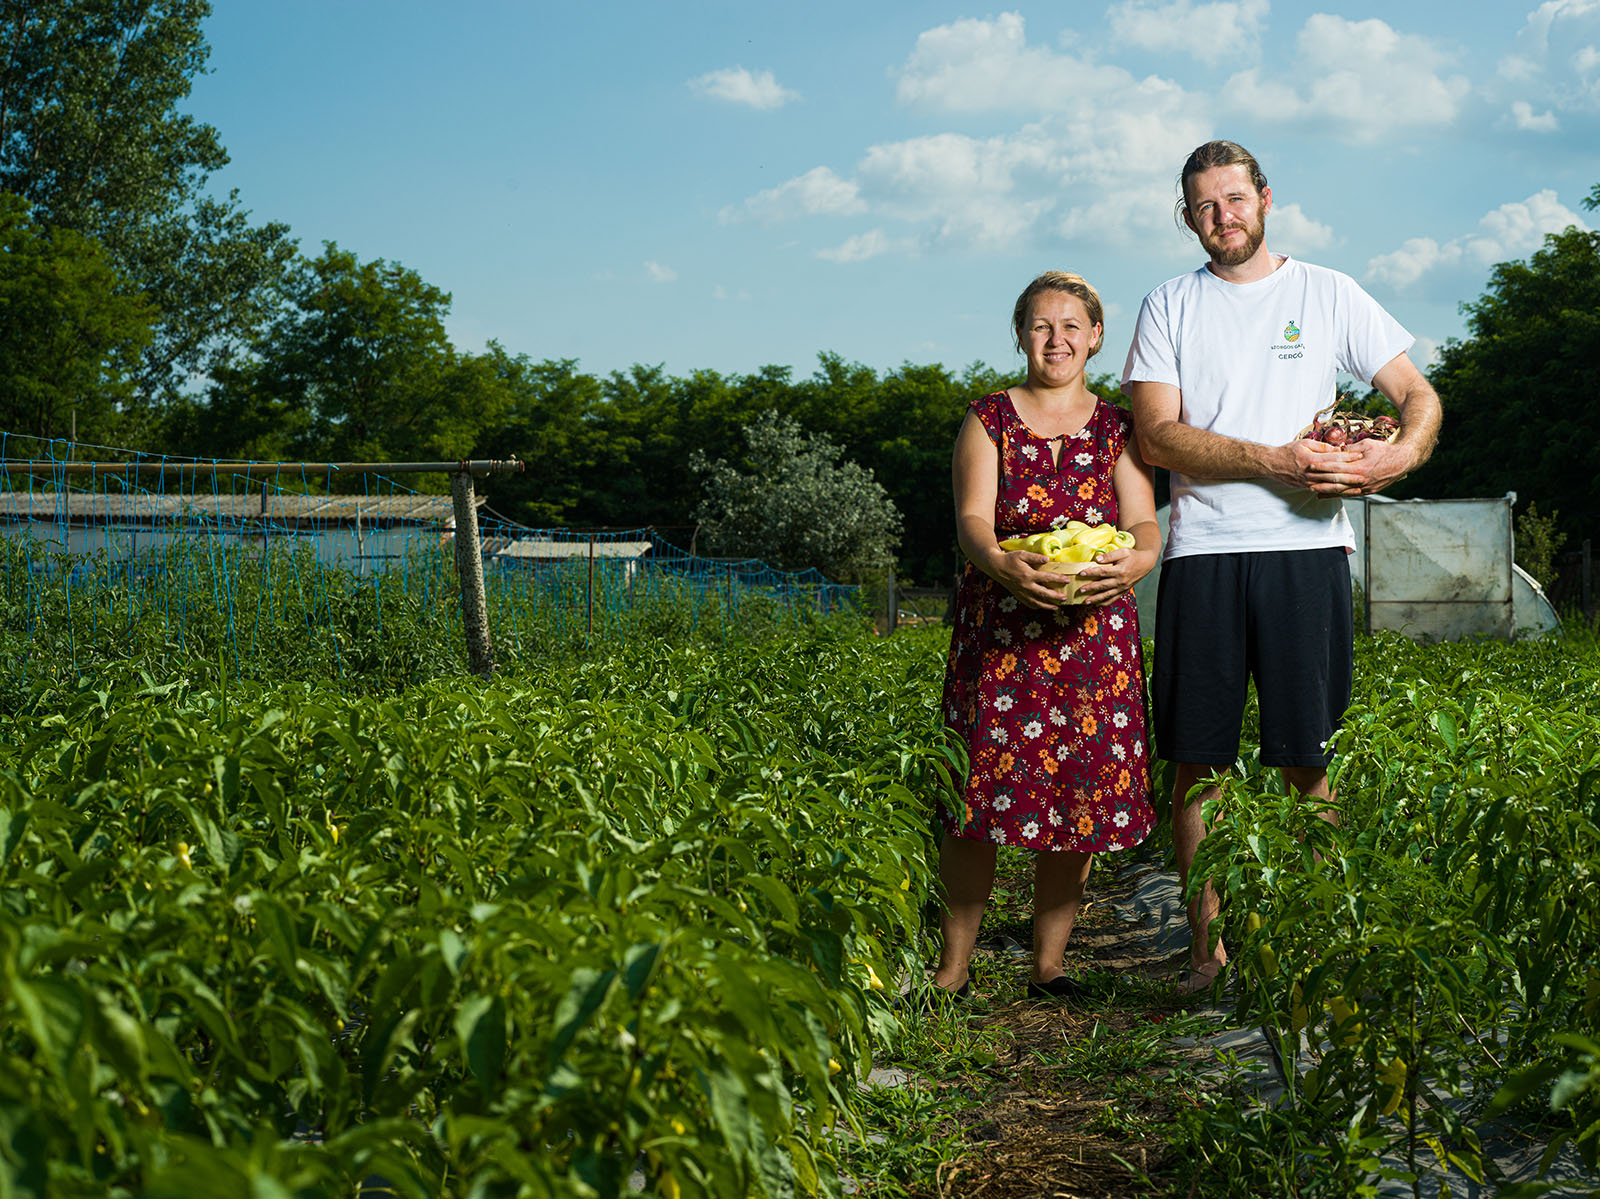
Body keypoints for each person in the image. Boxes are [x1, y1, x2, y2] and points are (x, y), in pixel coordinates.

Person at [1121, 140, 1443, 992]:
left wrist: (1390, 460)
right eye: (1203, 206)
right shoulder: (1169, 304)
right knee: (1198, 761)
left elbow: (1418, 396)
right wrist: (1273, 459)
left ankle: (1324, 948)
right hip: (1205, 552)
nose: (1221, 217)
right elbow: (1157, 434)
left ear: (1266, 197)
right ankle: (1207, 955)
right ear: (1187, 218)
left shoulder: (1327, 292)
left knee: (1311, 757)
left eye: (1234, 198)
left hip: (1307, 554)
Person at [933, 271, 1161, 1001]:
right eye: (1040, 325)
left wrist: (1135, 561)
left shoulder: (1118, 426)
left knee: (1078, 801)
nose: (1056, 339)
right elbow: (973, 521)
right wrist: (1002, 562)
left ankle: (1049, 965)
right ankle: (952, 969)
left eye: (1071, 326)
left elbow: (1145, 522)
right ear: (1021, 335)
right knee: (973, 799)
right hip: (1001, 630)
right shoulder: (989, 417)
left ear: (1096, 336)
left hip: (1093, 638)